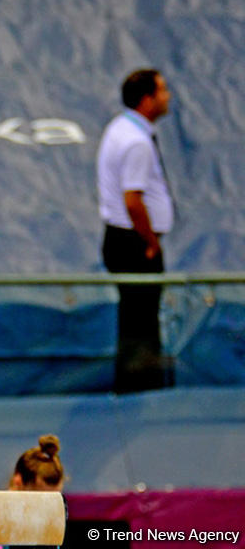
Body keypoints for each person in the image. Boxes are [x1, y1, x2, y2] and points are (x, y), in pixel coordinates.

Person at [96, 68, 175, 393]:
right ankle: (140, 390)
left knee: (134, 318)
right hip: (135, 244)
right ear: (147, 99)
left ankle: (133, 386)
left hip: (121, 240)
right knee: (141, 322)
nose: (167, 96)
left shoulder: (121, 128)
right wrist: (151, 242)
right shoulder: (136, 143)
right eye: (162, 90)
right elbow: (133, 201)